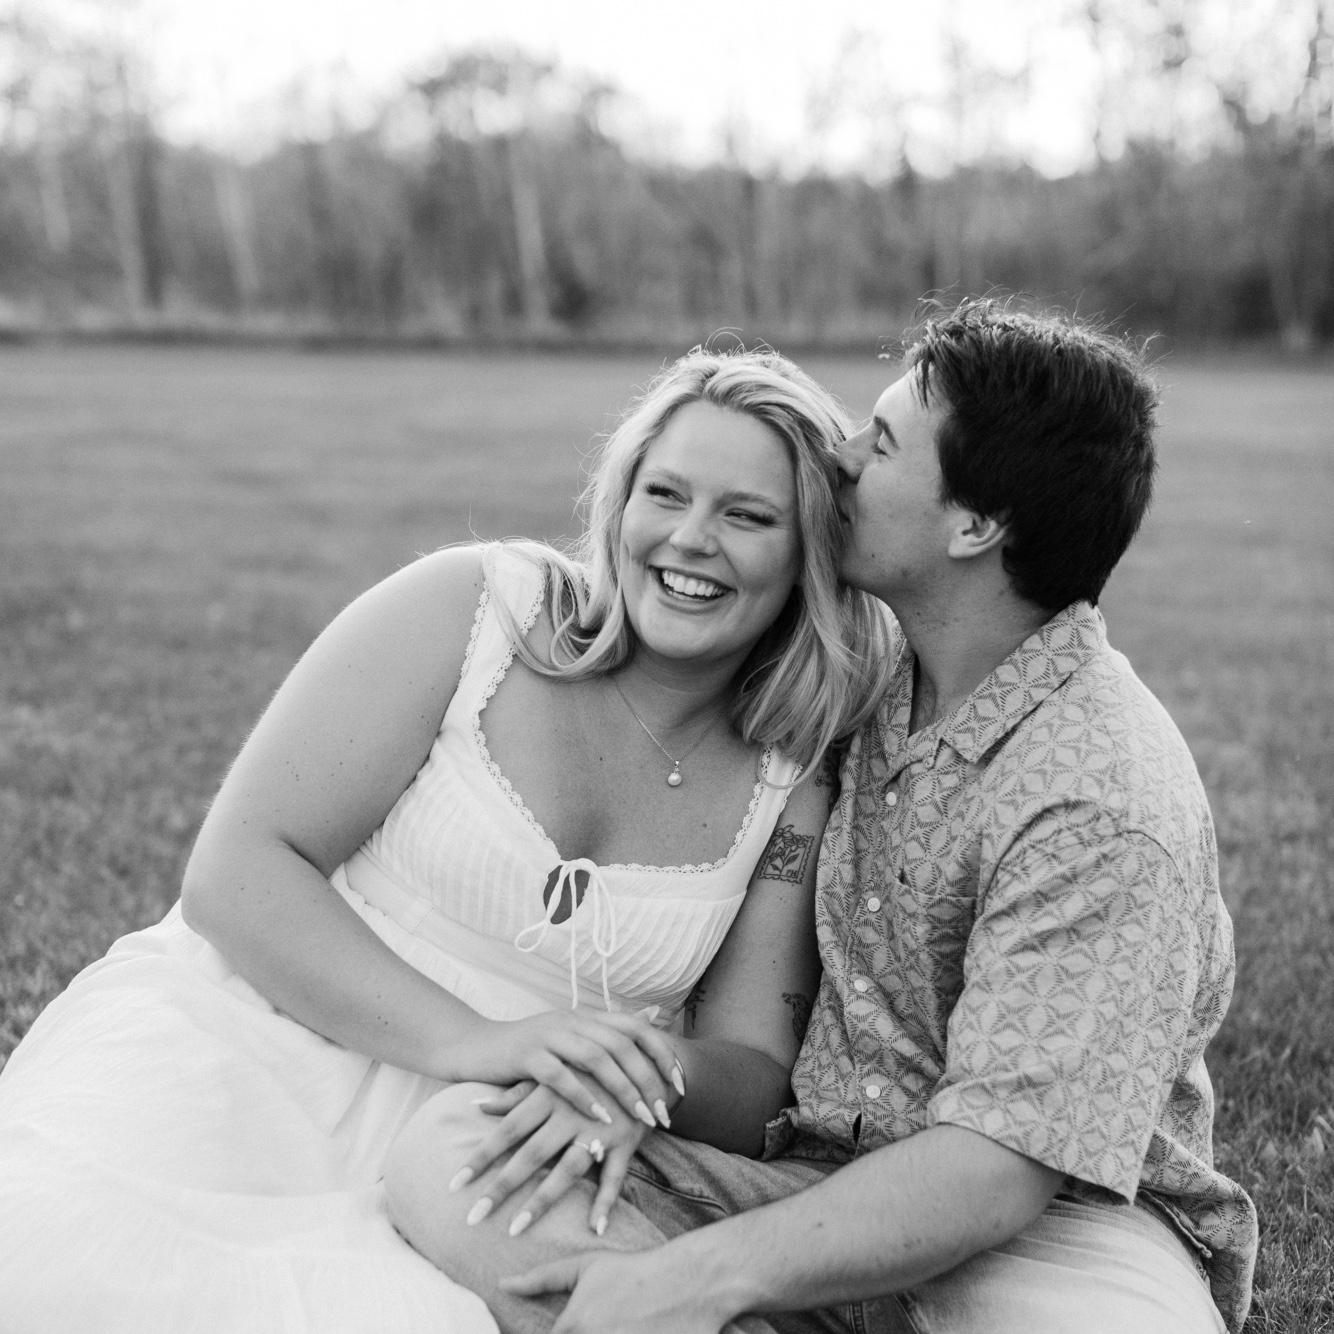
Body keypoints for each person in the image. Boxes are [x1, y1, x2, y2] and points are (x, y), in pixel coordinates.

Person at [383, 297, 1259, 1334]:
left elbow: (998, 1170)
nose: (838, 458)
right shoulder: (870, 684)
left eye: (880, 444)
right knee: (454, 1152)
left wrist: (701, 1277)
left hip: (1053, 1231)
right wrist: (627, 1087)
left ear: (973, 526)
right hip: (808, 1181)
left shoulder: (1102, 796)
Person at [0, 347, 896, 1333]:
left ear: (808, 552)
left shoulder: (789, 774)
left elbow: (752, 1068)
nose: (690, 539)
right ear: (620, 502)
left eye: (746, 516)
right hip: (252, 1047)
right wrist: (476, 1041)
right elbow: (239, 870)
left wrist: (638, 1082)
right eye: (666, 494)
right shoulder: (479, 610)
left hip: (498, 1147)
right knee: (75, 1273)